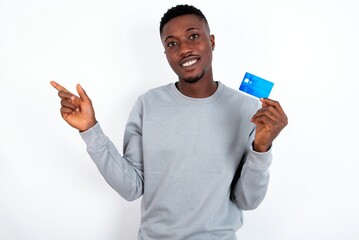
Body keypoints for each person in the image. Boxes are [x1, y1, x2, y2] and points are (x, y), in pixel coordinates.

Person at [50, 4, 288, 240]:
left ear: (212, 41)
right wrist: (90, 130)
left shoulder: (247, 109)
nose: (184, 49)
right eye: (172, 43)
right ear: (165, 53)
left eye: (193, 36)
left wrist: (261, 148)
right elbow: (132, 188)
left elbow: (248, 200)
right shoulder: (148, 104)